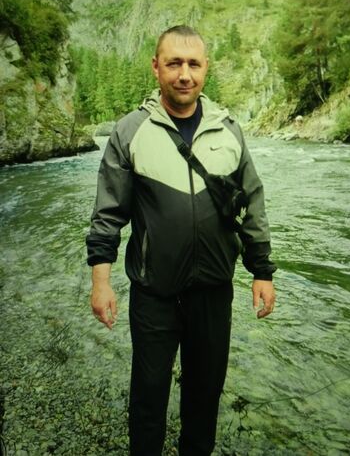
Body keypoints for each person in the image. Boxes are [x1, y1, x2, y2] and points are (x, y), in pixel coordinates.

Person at [86, 25, 276, 456]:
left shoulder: (229, 130)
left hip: (213, 292)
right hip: (154, 293)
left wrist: (262, 272)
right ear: (157, 68)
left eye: (193, 64)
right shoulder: (130, 131)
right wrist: (101, 283)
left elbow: (252, 203)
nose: (184, 74)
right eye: (174, 63)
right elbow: (108, 214)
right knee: (148, 398)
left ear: (206, 68)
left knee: (204, 398)